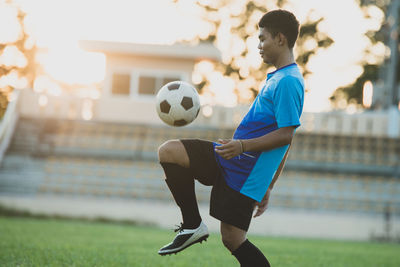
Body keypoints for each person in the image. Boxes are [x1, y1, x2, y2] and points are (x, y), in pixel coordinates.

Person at [157, 9, 304, 267]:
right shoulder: (278, 77)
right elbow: (286, 137)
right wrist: (269, 184)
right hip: (231, 158)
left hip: (244, 170)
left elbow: (286, 135)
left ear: (280, 39)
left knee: (233, 239)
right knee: (169, 152)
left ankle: (193, 225)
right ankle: (192, 225)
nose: (259, 45)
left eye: (263, 39)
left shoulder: (289, 81)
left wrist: (243, 148)